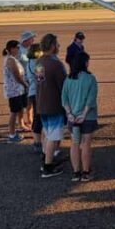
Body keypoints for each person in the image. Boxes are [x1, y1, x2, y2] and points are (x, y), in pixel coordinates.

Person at [62, 51, 98, 182]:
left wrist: (69, 114)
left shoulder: (68, 79)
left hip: (73, 118)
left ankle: (76, 172)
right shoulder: (90, 78)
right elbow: (91, 99)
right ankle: (86, 172)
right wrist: (83, 114)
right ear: (85, 63)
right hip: (87, 118)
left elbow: (64, 98)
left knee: (75, 143)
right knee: (86, 144)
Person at [35, 33, 66, 178]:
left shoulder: (39, 62)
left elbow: (40, 82)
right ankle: (47, 166)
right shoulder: (56, 64)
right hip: (54, 105)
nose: (59, 47)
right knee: (54, 136)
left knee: (47, 134)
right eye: (57, 44)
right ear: (53, 46)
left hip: (42, 104)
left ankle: (47, 157)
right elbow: (63, 86)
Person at [1, 40, 27, 143]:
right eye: (17, 47)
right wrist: (25, 85)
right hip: (14, 90)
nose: (19, 49)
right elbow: (17, 76)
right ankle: (11, 135)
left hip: (17, 90)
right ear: (11, 49)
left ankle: (18, 128)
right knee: (14, 112)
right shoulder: (10, 60)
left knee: (19, 109)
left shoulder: (12, 59)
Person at [25, 42, 44, 151]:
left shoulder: (29, 63)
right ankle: (37, 142)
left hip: (32, 91)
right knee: (39, 117)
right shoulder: (38, 63)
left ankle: (37, 140)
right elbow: (40, 79)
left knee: (37, 116)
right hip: (38, 92)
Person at [17, 31, 37, 131]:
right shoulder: (19, 50)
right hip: (21, 80)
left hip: (29, 79)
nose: (33, 40)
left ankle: (30, 120)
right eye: (31, 38)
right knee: (21, 103)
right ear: (26, 39)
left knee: (30, 101)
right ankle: (21, 123)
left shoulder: (30, 49)